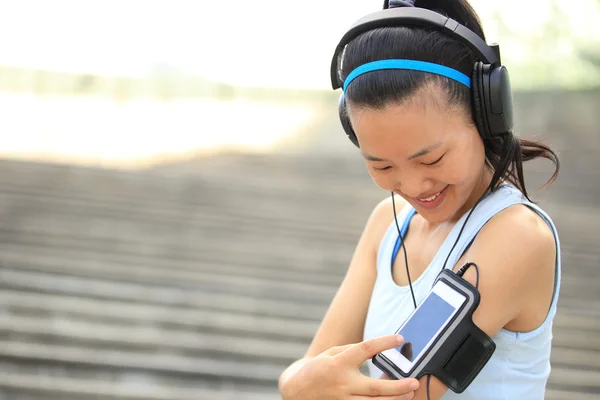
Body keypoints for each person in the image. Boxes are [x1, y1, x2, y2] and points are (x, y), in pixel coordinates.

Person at [278, 0, 561, 399]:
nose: (413, 186)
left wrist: (298, 385)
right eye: (381, 166)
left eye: (431, 158)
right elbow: (312, 367)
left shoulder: (516, 236)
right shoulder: (387, 225)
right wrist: (295, 382)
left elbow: (401, 392)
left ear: (486, 117)